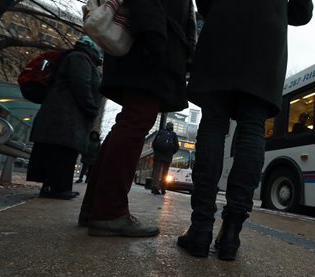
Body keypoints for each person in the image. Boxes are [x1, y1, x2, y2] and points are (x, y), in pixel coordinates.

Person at [177, 0, 314, 260]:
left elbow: (205, 3)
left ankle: (200, 229)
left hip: (223, 29)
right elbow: (301, 12)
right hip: (265, 40)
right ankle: (231, 234)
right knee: (253, 127)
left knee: (213, 124)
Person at [78, 0, 196, 237]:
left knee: (130, 121)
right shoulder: (153, 36)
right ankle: (109, 212)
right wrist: (154, 36)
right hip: (151, 42)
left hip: (147, 38)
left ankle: (96, 208)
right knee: (137, 120)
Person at [26, 35, 102, 200]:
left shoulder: (82, 58)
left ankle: (58, 186)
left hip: (66, 114)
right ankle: (55, 187)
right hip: (64, 115)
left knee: (64, 151)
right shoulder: (80, 58)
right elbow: (81, 84)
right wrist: (91, 108)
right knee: (61, 150)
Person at [151, 122, 180, 195]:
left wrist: (157, 152)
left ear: (166, 126)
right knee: (165, 173)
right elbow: (177, 147)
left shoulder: (161, 132)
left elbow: (154, 144)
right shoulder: (174, 134)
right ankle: (163, 188)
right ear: (172, 127)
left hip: (158, 156)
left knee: (156, 172)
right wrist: (171, 152)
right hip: (167, 157)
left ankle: (155, 186)